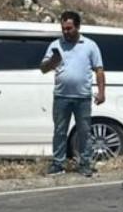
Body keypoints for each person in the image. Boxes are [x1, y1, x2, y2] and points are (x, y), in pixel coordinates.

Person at [40, 11, 105, 177]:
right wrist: (52, 62)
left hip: (82, 97)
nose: (66, 32)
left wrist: (101, 92)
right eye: (63, 28)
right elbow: (43, 69)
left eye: (69, 28)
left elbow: (99, 70)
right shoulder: (56, 45)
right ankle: (58, 164)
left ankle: (85, 164)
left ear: (78, 27)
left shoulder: (90, 45)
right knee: (59, 131)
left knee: (84, 132)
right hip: (61, 96)